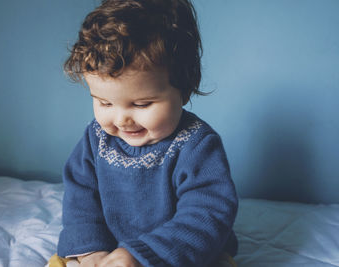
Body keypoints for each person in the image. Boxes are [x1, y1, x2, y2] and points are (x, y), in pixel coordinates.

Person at [48, 0, 238, 266]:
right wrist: (92, 250)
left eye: (141, 104)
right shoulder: (96, 139)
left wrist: (141, 255)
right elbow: (80, 198)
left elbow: (208, 215)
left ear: (184, 89)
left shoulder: (196, 145)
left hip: (178, 253)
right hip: (109, 250)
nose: (122, 119)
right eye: (104, 103)